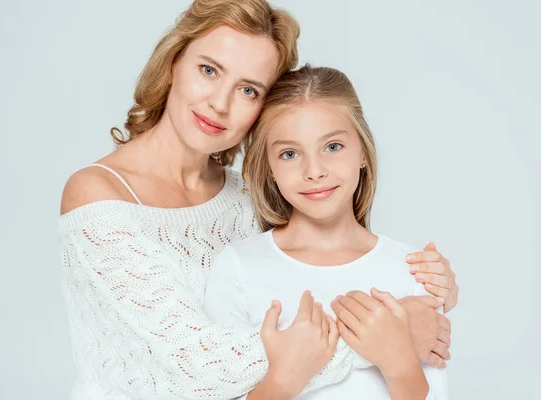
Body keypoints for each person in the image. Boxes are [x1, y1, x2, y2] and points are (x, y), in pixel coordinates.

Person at [59, 1, 458, 398]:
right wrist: (390, 330)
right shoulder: (99, 194)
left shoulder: (247, 199)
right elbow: (197, 369)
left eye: (248, 89)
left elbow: (327, 263)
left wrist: (430, 286)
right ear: (172, 63)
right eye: (209, 70)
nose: (220, 103)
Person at [204, 65, 450, 399]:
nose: (314, 171)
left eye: (332, 146)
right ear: (270, 168)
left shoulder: (413, 269)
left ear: (362, 151)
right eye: (290, 154)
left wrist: (400, 364)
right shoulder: (238, 268)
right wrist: (285, 378)